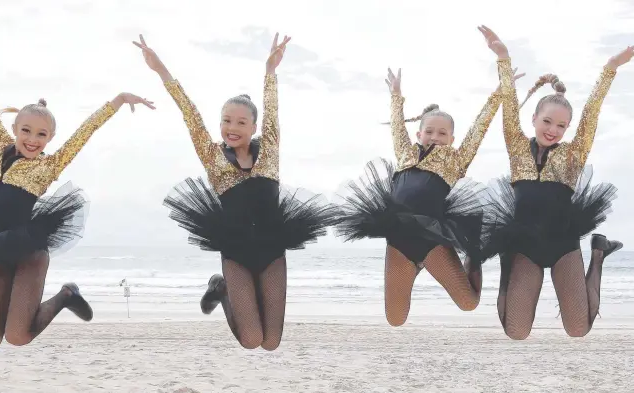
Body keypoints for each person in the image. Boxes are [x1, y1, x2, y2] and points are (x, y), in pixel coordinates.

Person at [133, 33, 338, 350]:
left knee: (271, 343)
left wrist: (270, 73)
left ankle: (234, 292)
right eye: (226, 120)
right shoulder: (214, 157)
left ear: (254, 128)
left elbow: (272, 112)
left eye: (241, 122)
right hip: (236, 250)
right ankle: (222, 288)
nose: (232, 127)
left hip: (272, 248)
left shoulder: (268, 152)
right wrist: (161, 71)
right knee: (252, 339)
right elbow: (190, 114)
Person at [0, 47, 155, 349]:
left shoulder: (50, 164)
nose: (32, 140)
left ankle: (66, 295)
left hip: (28, 254)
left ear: (50, 138)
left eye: (41, 135)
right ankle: (18, 303)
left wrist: (118, 100)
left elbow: (85, 131)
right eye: (26, 131)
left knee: (18, 336)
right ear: (14, 129)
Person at [333, 64, 522, 326]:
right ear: (419, 134)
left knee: (469, 303)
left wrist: (499, 93)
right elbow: (397, 127)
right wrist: (396, 96)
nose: (435, 137)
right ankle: (414, 268)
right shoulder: (406, 153)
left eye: (442, 133)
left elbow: (479, 128)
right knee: (395, 319)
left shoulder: (455, 160)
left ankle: (474, 258)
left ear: (452, 138)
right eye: (430, 132)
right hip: (398, 239)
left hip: (432, 240)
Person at [477, 25, 628, 339]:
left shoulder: (573, 153)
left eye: (561, 126)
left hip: (562, 245)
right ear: (534, 118)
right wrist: (503, 58)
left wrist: (610, 68)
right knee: (516, 332)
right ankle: (507, 261)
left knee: (578, 329)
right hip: (523, 247)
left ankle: (598, 253)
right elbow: (508, 106)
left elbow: (592, 111)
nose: (553, 130)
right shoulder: (517, 146)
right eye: (547, 121)